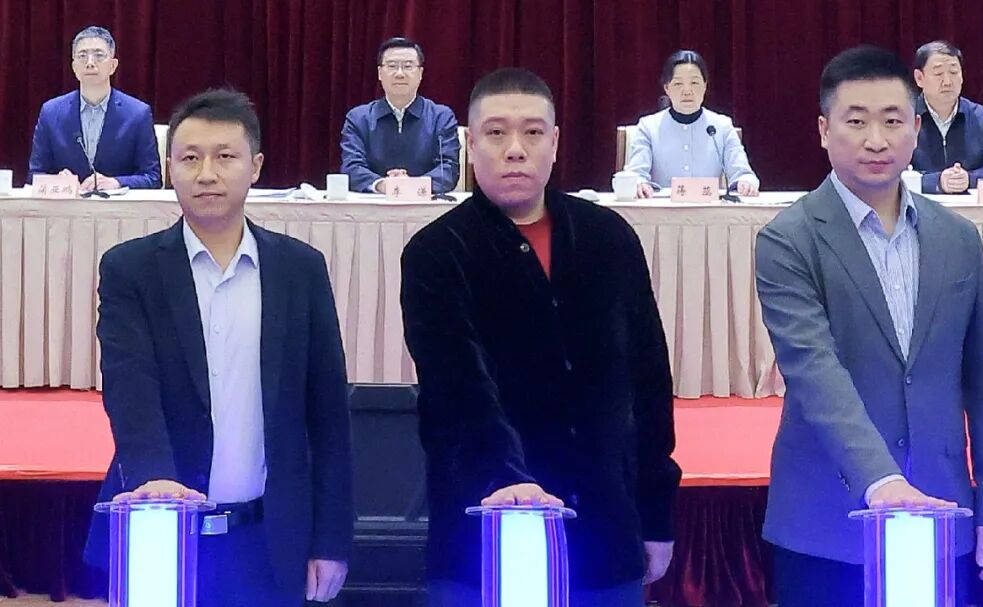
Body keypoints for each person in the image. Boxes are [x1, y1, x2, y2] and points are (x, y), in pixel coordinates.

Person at [401, 68, 681, 606]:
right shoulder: (436, 252)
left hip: (605, 529)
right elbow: (456, 385)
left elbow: (648, 382)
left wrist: (656, 512)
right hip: (485, 523)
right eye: (496, 133)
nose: (515, 149)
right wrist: (505, 479)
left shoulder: (609, 239)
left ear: (554, 142)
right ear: (470, 144)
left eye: (532, 132)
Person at [754, 46, 983, 606]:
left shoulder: (958, 238)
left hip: (942, 509)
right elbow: (815, 372)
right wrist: (882, 480)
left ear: (916, 129)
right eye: (856, 122)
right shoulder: (788, 240)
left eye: (892, 121)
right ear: (824, 130)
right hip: (827, 520)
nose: (876, 140)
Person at [85, 89, 352, 606]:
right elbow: (129, 385)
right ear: (170, 169)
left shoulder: (300, 270)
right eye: (190, 158)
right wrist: (156, 485)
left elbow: (328, 414)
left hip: (271, 541)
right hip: (162, 527)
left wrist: (331, 539)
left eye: (225, 156)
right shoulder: (130, 269)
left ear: (255, 166)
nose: (207, 173)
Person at [29, 26, 161, 191]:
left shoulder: (138, 114)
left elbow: (153, 178)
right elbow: (35, 175)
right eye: (82, 56)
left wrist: (117, 182)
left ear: (113, 66)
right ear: (74, 67)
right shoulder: (50, 112)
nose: (90, 63)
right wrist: (57, 181)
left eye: (99, 55)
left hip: (117, 206)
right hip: (66, 205)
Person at [623, 49, 759, 198]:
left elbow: (743, 174)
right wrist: (639, 183)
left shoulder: (722, 127)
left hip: (709, 209)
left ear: (705, 86)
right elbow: (636, 175)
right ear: (666, 88)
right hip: (663, 209)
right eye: (678, 83)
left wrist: (745, 183)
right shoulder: (648, 127)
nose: (687, 91)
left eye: (694, 83)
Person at [340, 36, 460, 194]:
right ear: (380, 73)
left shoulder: (441, 117)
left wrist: (411, 186)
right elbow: (351, 167)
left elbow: (449, 169)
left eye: (408, 66)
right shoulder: (358, 118)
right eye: (392, 66)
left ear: (420, 73)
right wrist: (384, 185)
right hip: (374, 203)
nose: (399, 74)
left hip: (424, 203)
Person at [911, 40, 983, 193]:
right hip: (918, 205)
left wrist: (969, 179)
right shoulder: (903, 118)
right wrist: (937, 181)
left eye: (954, 72)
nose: (947, 82)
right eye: (938, 74)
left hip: (970, 206)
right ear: (919, 78)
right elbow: (893, 174)